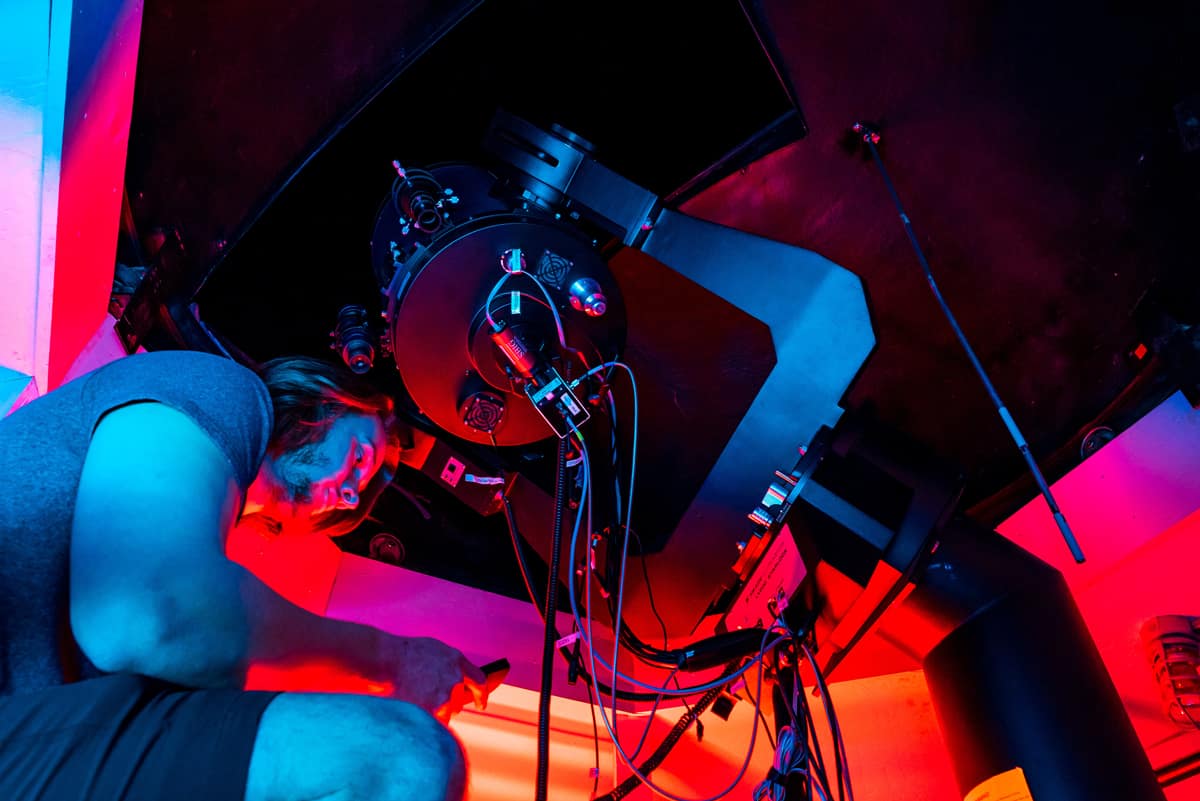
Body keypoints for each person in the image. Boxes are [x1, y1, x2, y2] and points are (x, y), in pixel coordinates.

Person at [0, 349, 487, 801]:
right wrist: (391, 659)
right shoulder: (221, 387)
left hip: (33, 736)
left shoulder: (206, 544)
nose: (350, 498)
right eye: (360, 456)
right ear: (325, 402)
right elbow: (147, 614)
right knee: (400, 757)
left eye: (353, 502)